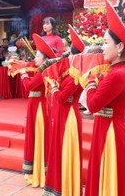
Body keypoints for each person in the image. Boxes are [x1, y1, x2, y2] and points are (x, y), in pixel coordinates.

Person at [83, 2, 125, 196]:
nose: (102, 46)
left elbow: (92, 105)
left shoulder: (118, 74)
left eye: (106, 42)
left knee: (107, 179)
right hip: (108, 128)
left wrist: (90, 80)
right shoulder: (117, 70)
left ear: (119, 46)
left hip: (110, 132)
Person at [43, 25, 85, 196]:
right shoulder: (70, 73)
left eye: (69, 53)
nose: (66, 56)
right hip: (64, 114)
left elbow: (61, 97)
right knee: (58, 149)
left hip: (69, 117)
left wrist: (53, 87)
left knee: (65, 151)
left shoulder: (76, 75)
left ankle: (66, 187)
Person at [20, 33, 57, 187]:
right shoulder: (42, 69)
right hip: (35, 105)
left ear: (44, 59)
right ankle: (35, 171)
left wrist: (23, 75)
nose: (35, 59)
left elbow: (29, 86)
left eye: (37, 56)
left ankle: (39, 172)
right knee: (34, 137)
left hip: (39, 107)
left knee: (38, 137)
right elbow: (32, 65)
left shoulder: (44, 72)